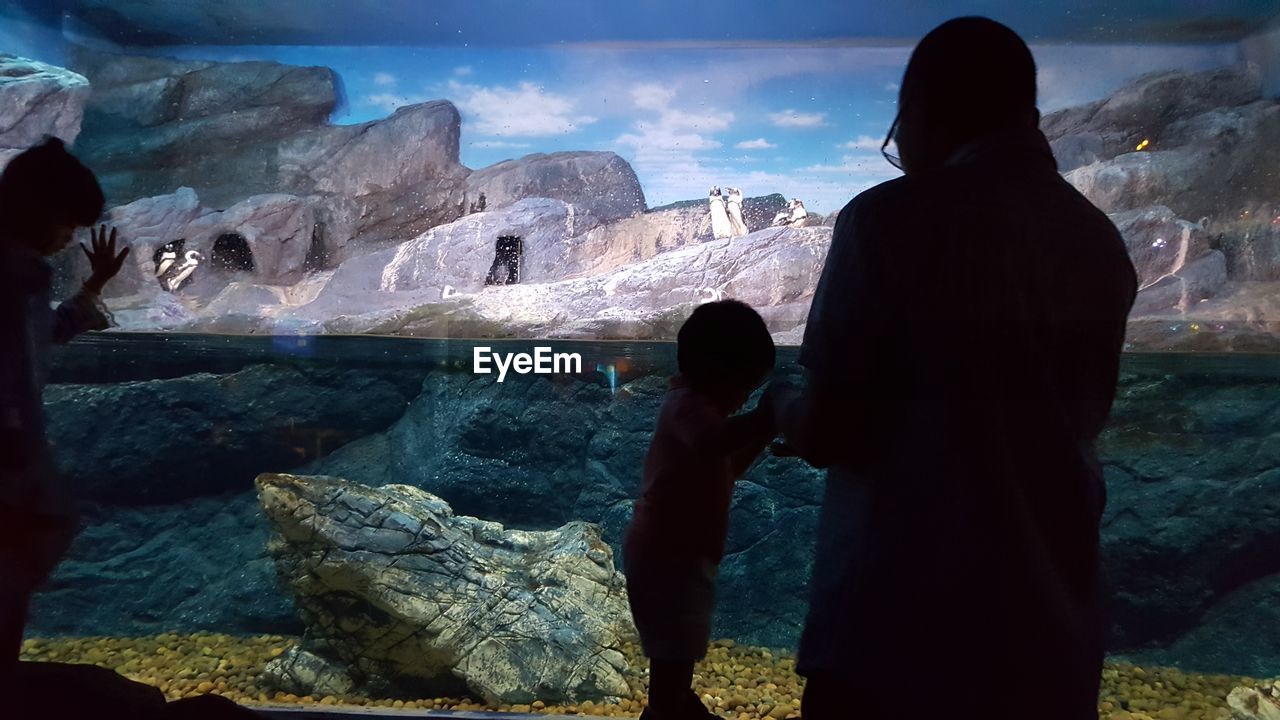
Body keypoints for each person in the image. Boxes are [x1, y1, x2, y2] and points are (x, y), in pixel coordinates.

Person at [771, 17, 1138, 720]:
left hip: (897, 632)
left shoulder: (888, 222)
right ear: (1027, 115)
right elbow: (1082, 420)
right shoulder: (1095, 239)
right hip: (1049, 633)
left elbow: (833, 426)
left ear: (920, 111)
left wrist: (781, 404)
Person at [0, 137, 128, 690]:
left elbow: (37, 341)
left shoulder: (23, 274)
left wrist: (93, 288)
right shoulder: (16, 272)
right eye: (69, 225)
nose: (69, 239)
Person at [623, 300, 780, 720]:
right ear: (715, 370)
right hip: (665, 556)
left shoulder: (700, 413)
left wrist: (764, 431)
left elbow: (727, 464)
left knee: (678, 653)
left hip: (679, 555)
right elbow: (716, 443)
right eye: (745, 384)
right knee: (672, 656)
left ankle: (675, 707)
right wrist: (765, 419)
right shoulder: (687, 406)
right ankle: (667, 711)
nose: (746, 396)